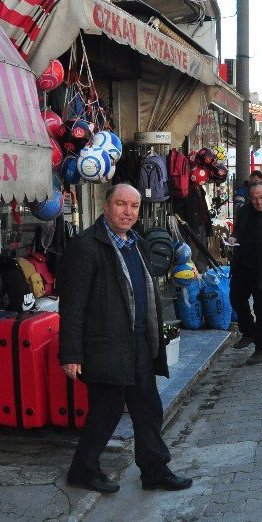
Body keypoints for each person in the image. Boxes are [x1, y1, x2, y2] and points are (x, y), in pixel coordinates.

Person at [59, 184, 193, 492]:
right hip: (106, 347)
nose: (128, 211)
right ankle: (83, 470)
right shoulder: (87, 245)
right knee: (105, 413)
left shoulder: (136, 243)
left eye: (133, 206)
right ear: (106, 207)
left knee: (148, 409)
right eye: (121, 204)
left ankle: (155, 470)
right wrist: (71, 354)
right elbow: (73, 304)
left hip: (139, 344)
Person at [229, 181, 262, 365]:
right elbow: (239, 232)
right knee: (236, 297)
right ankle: (249, 331)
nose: (258, 202)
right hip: (243, 264)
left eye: (261, 197)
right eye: (254, 199)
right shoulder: (244, 211)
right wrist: (233, 238)